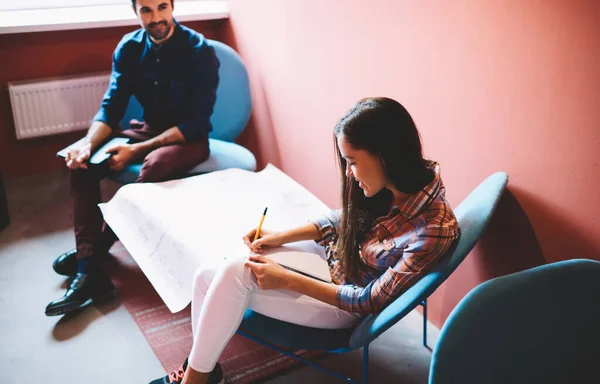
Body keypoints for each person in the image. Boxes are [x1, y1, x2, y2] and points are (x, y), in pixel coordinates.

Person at [150, 97, 461, 384]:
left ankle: (195, 379)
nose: (350, 173)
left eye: (352, 161)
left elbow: (368, 301)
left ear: (384, 156)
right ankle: (202, 368)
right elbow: (343, 220)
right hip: (336, 264)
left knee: (234, 273)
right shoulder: (402, 186)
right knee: (207, 272)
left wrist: (285, 280)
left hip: (346, 302)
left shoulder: (430, 230)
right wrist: (278, 236)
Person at [45, 0, 220, 317]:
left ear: (173, 6)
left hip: (189, 138)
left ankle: (94, 252)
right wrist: (86, 145)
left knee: (156, 165)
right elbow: (110, 109)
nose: (156, 18)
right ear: (135, 11)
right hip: (146, 129)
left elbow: (195, 123)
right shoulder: (128, 47)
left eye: (162, 7)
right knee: (83, 164)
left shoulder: (199, 49)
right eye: (146, 10)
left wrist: (135, 151)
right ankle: (89, 268)